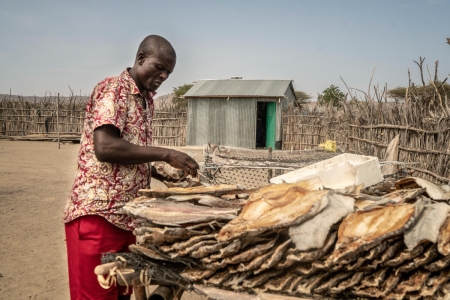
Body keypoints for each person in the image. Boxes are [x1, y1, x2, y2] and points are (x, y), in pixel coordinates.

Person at [63, 35, 199, 300]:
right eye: (159, 67)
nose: (163, 75)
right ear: (140, 59)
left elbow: (130, 155)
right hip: (98, 216)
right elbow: (105, 147)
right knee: (97, 295)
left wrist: (163, 171)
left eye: (168, 72)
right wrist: (166, 153)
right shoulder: (114, 89)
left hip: (127, 219)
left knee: (122, 294)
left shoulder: (146, 100)